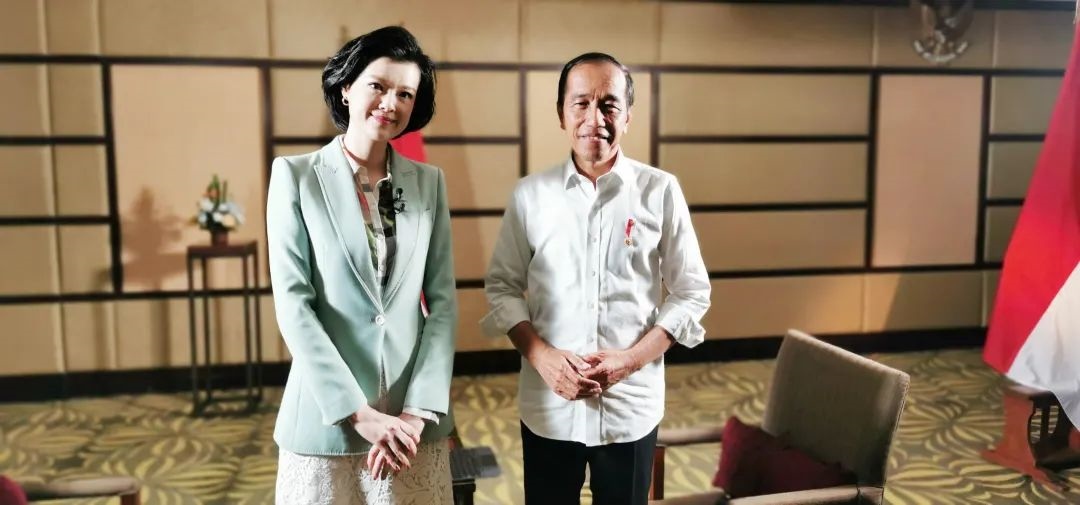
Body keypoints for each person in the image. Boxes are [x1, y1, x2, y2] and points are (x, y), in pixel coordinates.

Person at [482, 52, 711, 505]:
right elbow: (502, 287)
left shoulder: (660, 190)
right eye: (581, 103)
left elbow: (690, 292)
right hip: (549, 407)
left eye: (609, 105)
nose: (595, 118)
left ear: (627, 115)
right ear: (561, 114)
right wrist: (543, 357)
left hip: (630, 406)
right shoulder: (530, 195)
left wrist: (630, 360)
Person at [267, 25, 457, 504]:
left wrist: (417, 413)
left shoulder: (429, 183)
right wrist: (359, 414)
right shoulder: (295, 177)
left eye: (405, 94)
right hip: (327, 422)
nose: (390, 103)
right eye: (378, 86)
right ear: (347, 88)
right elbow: (294, 306)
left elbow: (442, 305)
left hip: (410, 428)